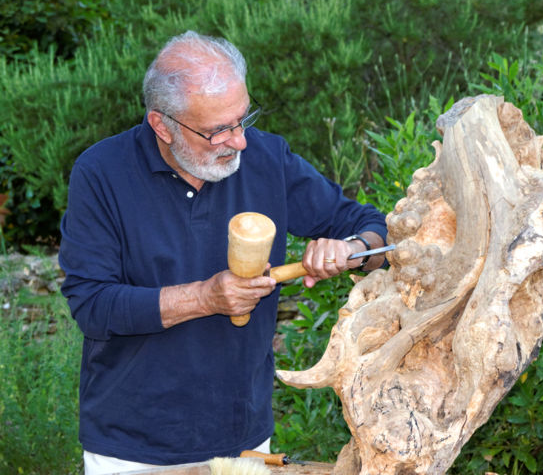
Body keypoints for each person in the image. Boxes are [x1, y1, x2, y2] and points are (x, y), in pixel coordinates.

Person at [58, 30, 388, 474]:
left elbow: (375, 231)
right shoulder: (101, 173)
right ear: (162, 125)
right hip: (132, 448)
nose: (239, 142)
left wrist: (350, 249)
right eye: (218, 130)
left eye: (242, 119)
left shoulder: (268, 158)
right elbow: (92, 304)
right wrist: (205, 298)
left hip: (243, 440)